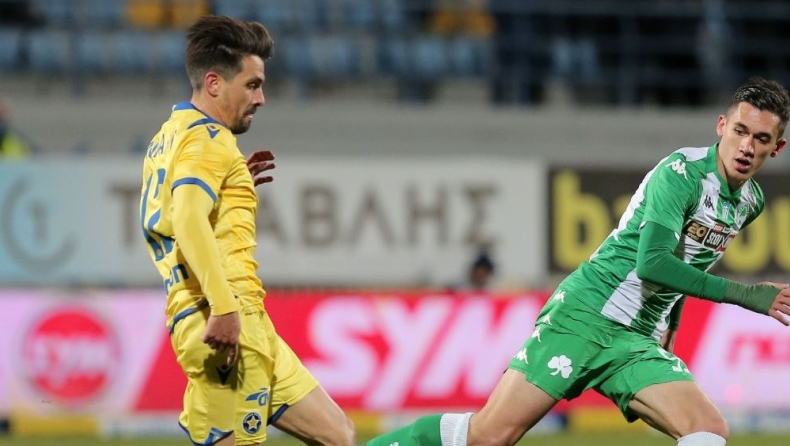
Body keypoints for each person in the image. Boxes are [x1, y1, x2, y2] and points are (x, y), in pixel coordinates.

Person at [367, 76, 790, 446]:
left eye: (761, 139)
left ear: (777, 148)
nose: (746, 147)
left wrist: (671, 324)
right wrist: (748, 295)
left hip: (637, 339)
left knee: (708, 428)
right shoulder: (681, 173)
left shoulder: (749, 202)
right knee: (490, 436)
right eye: (740, 131)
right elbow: (653, 263)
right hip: (586, 314)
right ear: (721, 126)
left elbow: (692, 262)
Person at [139, 16, 354, 446]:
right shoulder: (208, 139)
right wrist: (223, 308)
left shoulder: (171, 135)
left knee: (338, 434)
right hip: (223, 315)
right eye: (252, 85)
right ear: (214, 84)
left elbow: (177, 209)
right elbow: (187, 219)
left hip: (249, 319)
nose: (261, 98)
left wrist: (233, 183)